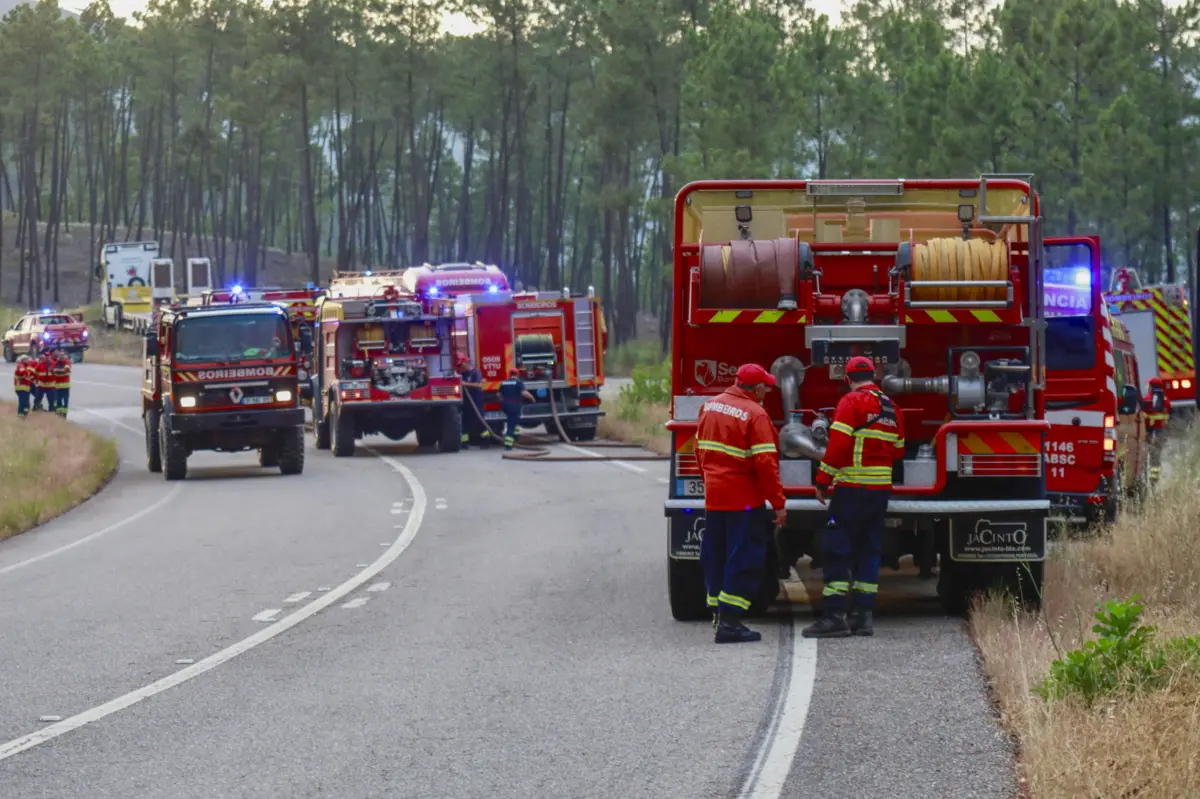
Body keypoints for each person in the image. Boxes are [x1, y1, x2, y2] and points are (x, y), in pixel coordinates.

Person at [805, 355, 905, 639]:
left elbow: (837, 447)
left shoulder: (850, 402)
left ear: (847, 379)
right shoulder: (893, 408)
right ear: (875, 376)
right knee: (869, 550)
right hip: (879, 491)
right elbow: (898, 450)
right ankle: (864, 616)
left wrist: (823, 481)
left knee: (837, 549)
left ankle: (835, 616)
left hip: (851, 490)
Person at [694, 363, 787, 644]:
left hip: (715, 497)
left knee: (716, 554)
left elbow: (700, 452)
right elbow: (766, 465)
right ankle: (731, 622)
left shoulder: (709, 406)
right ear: (757, 388)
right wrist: (778, 502)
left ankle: (718, 614)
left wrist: (711, 481)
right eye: (765, 388)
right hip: (743, 500)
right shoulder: (756, 415)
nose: (766, 392)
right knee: (743, 556)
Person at [497, 369, 535, 451]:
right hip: (514, 405)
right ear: (517, 375)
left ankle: (515, 436)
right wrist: (532, 398)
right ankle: (508, 444)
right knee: (512, 424)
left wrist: (503, 400)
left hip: (505, 405)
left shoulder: (504, 382)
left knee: (514, 421)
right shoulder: (519, 382)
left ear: (510, 374)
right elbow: (524, 393)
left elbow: (498, 394)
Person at [458, 355, 490, 449]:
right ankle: (464, 443)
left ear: (466, 363)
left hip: (476, 400)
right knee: (465, 422)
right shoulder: (463, 374)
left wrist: (465, 384)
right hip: (466, 402)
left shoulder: (476, 372)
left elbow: (478, 385)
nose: (460, 367)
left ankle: (486, 441)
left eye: (461, 364)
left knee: (480, 421)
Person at [1144, 376, 1170, 481]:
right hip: (1161, 433)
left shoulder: (1147, 400)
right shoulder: (1166, 401)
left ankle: (1148, 478)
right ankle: (1154, 479)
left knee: (1146, 456)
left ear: (1152, 387)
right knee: (1156, 458)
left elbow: (1143, 418)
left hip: (1149, 432)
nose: (1147, 387)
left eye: (1149, 385)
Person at [52, 349, 72, 418]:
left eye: (63, 355)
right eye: (60, 355)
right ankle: (59, 415)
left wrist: (58, 370)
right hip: (57, 387)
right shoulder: (55, 363)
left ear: (65, 356)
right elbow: (53, 371)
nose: (61, 357)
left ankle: (64, 415)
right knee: (58, 402)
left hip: (65, 387)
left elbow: (65, 370)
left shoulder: (67, 362)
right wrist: (59, 371)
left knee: (65, 402)